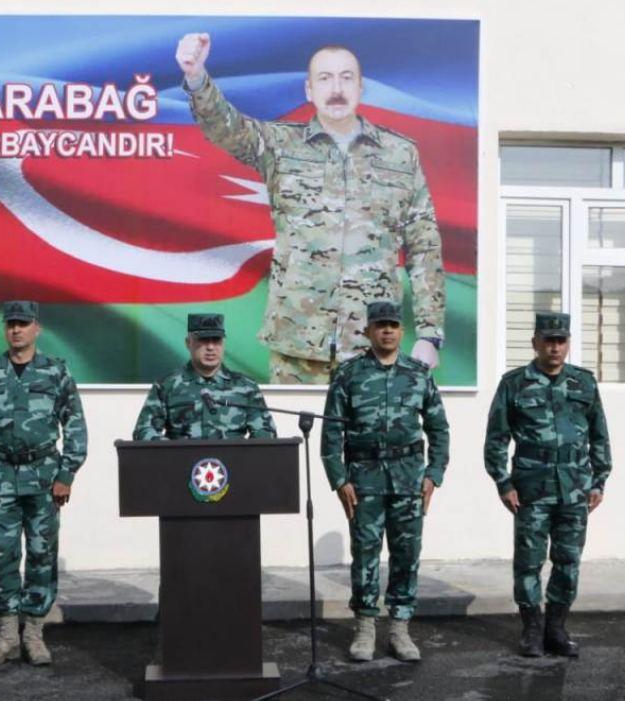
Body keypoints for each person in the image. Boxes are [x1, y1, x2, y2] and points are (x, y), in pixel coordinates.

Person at [176, 33, 447, 383]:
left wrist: (429, 333)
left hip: (375, 347)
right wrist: (197, 77)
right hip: (298, 347)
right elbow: (227, 129)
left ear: (361, 87)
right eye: (325, 78)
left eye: (346, 77)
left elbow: (424, 244)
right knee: (295, 437)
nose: (337, 88)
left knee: (372, 439)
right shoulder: (280, 147)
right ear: (309, 90)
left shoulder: (399, 155)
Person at [0, 301, 87, 667]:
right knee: (2, 555)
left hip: (45, 476)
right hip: (0, 475)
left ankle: (33, 633)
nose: (16, 330)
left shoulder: (55, 372)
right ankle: (5, 636)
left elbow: (75, 424)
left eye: (23, 324)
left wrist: (66, 474)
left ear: (37, 328)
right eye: (11, 324)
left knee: (42, 555)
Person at [321, 300, 449, 662]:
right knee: (365, 554)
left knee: (406, 554)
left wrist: (433, 474)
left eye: (393, 325)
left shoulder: (418, 374)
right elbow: (331, 434)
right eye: (381, 325)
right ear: (369, 331)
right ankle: (364, 627)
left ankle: (399, 629)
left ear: (402, 331)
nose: (388, 330)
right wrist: (339, 479)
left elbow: (439, 429)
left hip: (409, 479)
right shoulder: (349, 375)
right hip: (364, 479)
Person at [483, 312, 612, 657]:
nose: (555, 347)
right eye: (548, 340)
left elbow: (599, 434)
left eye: (561, 341)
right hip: (530, 491)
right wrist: (503, 483)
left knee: (568, 560)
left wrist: (599, 480)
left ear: (567, 344)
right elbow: (496, 438)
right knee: (528, 561)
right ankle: (531, 629)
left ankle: (556, 628)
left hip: (574, 489)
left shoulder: (584, 383)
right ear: (535, 343)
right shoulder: (514, 383)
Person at [133, 313, 276, 440]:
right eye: (203, 340)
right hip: (181, 465)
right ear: (188, 343)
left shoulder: (245, 386)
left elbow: (266, 432)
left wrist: (244, 456)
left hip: (232, 466)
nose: (210, 348)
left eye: (216, 340)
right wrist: (171, 451)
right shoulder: (167, 385)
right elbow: (143, 431)